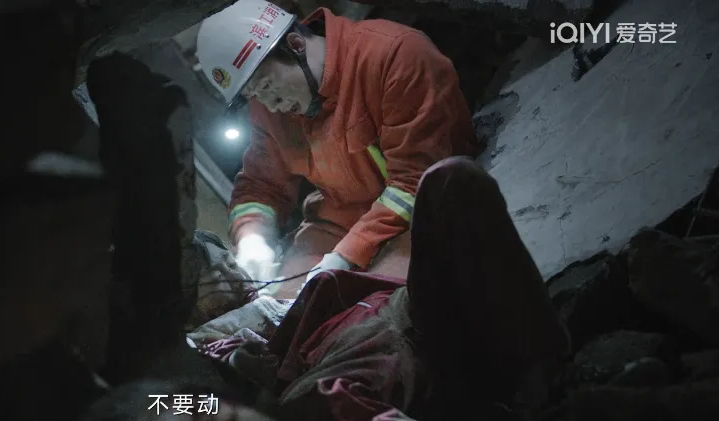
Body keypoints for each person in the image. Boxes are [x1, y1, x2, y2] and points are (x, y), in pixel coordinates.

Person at [196, 157, 571, 421]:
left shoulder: (282, 287)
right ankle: (539, 380)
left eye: (227, 261)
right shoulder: (205, 349)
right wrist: (237, 367)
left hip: (401, 314)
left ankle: (543, 368)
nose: (230, 272)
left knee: (452, 180)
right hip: (362, 368)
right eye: (214, 273)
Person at [195, 0, 482, 295]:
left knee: (389, 303)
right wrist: (252, 238)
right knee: (284, 305)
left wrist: (347, 255)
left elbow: (417, 181)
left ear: (296, 45)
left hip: (427, 208)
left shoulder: (394, 55)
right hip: (342, 222)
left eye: (266, 86)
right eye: (254, 95)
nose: (270, 105)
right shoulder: (270, 110)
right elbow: (259, 187)